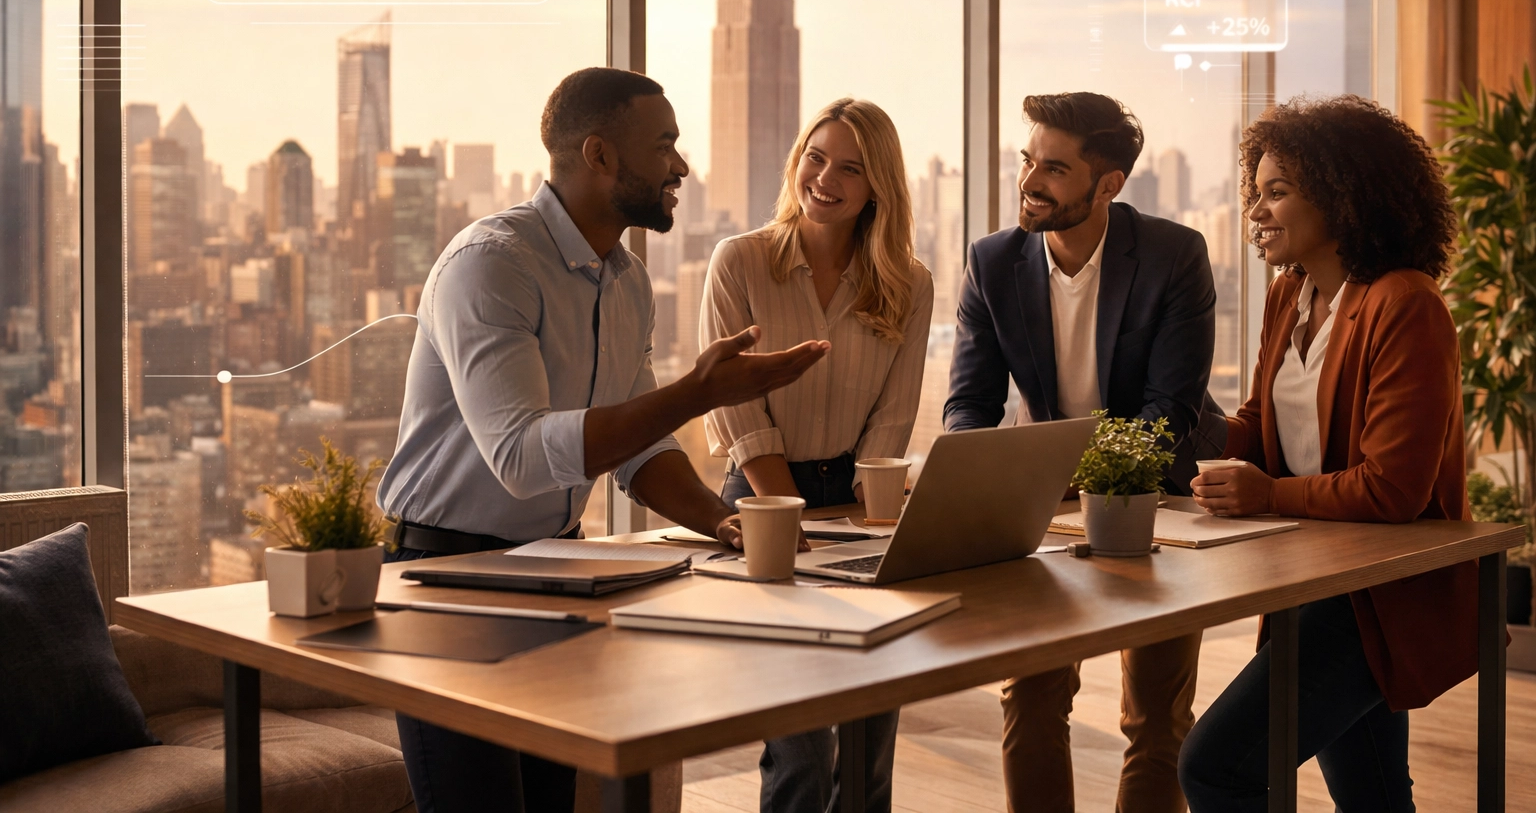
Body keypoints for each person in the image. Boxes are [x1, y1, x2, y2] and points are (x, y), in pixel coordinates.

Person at [375, 67, 830, 813]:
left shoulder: (627, 283)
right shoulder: (492, 264)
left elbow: (638, 446)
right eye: (666, 146)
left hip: (552, 571)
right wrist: (697, 392)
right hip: (444, 580)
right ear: (599, 156)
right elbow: (522, 457)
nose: (681, 166)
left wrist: (720, 521)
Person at [1179, 96, 1470, 812]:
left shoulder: (1406, 304)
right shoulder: (1291, 296)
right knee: (1373, 796)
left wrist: (1263, 495)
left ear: (1343, 197)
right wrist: (1175, 422)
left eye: (1277, 192)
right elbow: (1259, 426)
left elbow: (1394, 489)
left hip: (1379, 594)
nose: (1256, 212)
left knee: (1218, 768)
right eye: (1256, 193)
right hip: (1315, 578)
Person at [945, 92, 1222, 813]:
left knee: (1155, 718)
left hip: (1158, 498)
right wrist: (985, 483)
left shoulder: (1173, 255)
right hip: (1048, 502)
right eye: (1026, 160)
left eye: (1055, 169)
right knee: (1032, 693)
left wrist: (1059, 472)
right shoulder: (992, 262)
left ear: (1109, 186)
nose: (1031, 180)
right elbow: (971, 405)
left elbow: (1171, 415)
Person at [700, 97, 933, 813]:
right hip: (762, 494)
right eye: (816, 157)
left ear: (878, 188)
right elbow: (738, 410)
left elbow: (894, 419)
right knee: (802, 738)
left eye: (851, 168)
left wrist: (870, 517)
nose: (825, 178)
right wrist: (782, 510)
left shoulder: (908, 284)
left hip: (863, 498)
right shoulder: (739, 261)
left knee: (870, 724)